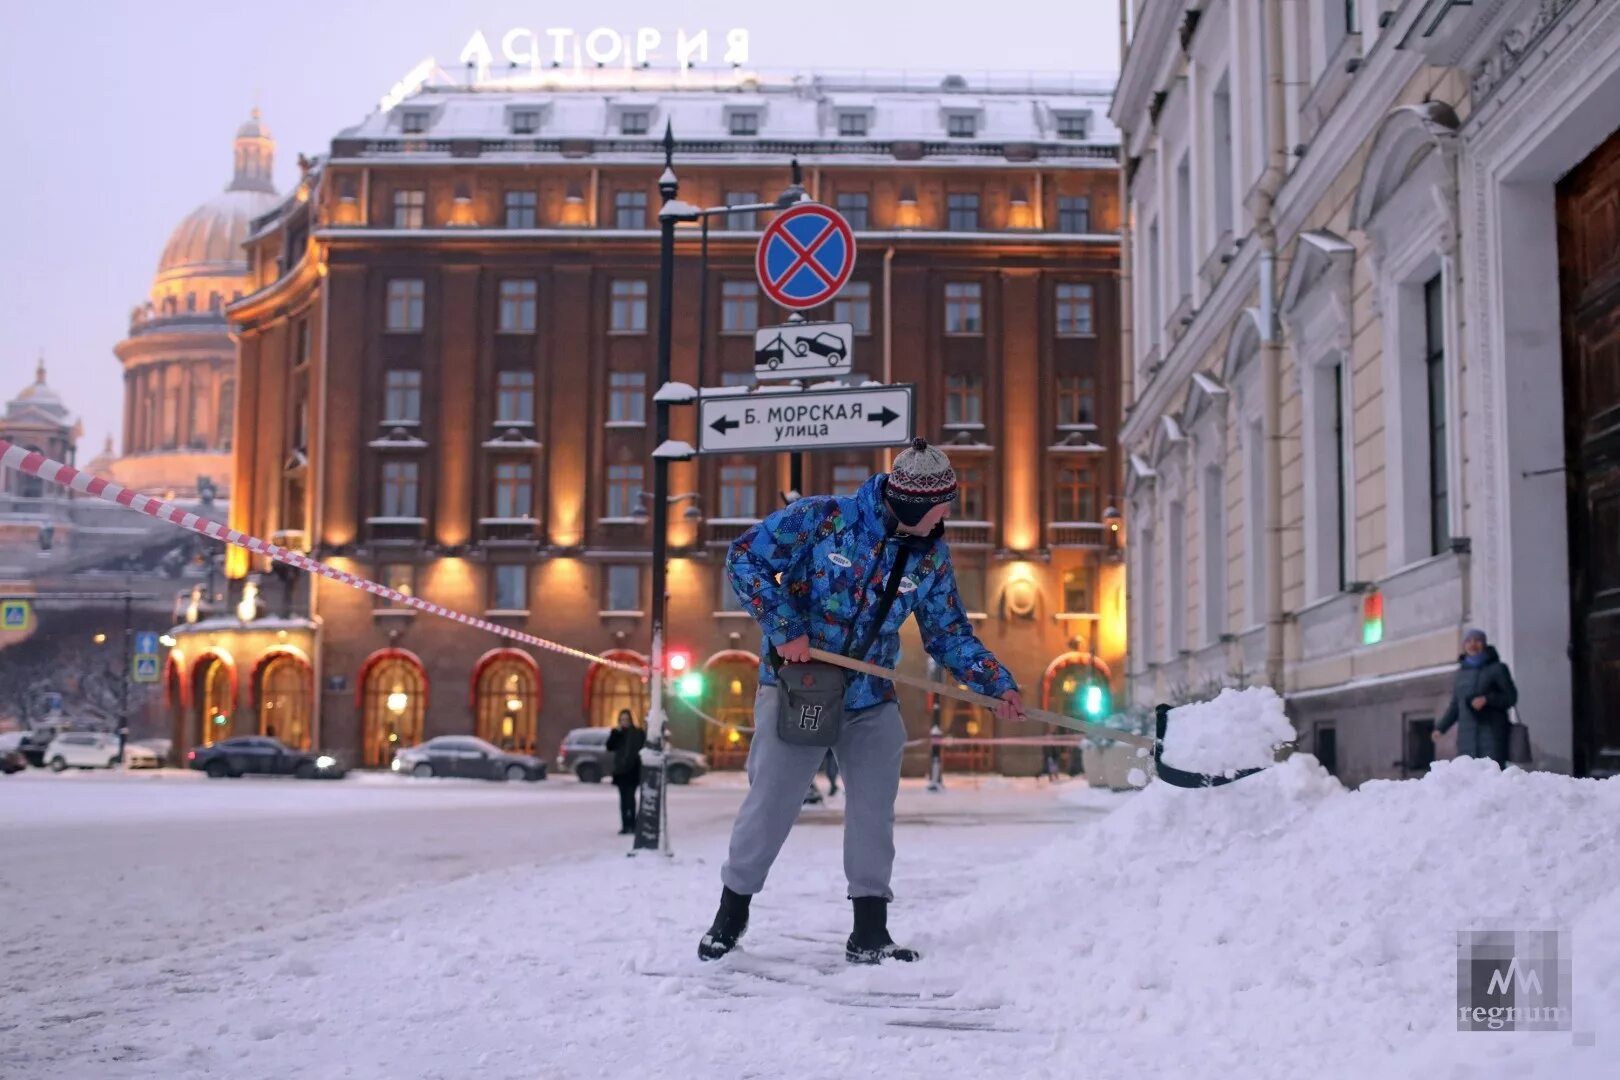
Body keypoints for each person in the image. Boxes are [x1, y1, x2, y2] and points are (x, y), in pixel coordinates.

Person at [698, 439, 1025, 965]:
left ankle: (869, 930)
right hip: (797, 687)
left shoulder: (930, 556)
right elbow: (744, 559)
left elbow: (948, 634)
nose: (947, 513)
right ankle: (730, 913)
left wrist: (996, 684)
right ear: (915, 505)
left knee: (873, 811)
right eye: (941, 504)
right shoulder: (823, 520)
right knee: (771, 804)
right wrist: (785, 629)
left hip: (870, 697)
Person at [1433, 628, 1518, 767]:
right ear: (1464, 645)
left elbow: (1511, 697)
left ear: (1484, 644)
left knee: (1492, 775)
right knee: (1470, 777)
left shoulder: (1498, 668)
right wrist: (1441, 728)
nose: (1473, 644)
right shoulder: (1461, 673)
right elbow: (1455, 706)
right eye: (1468, 641)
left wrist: (1487, 699)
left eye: (1477, 640)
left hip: (1492, 735)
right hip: (1466, 738)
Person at [605, 709, 646, 835]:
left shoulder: (638, 733)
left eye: (626, 719)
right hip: (621, 771)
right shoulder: (617, 733)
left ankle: (632, 824)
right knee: (623, 799)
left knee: (631, 798)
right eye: (622, 720)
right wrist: (616, 734)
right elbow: (609, 747)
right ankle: (625, 825)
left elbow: (642, 748)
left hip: (633, 770)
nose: (624, 722)